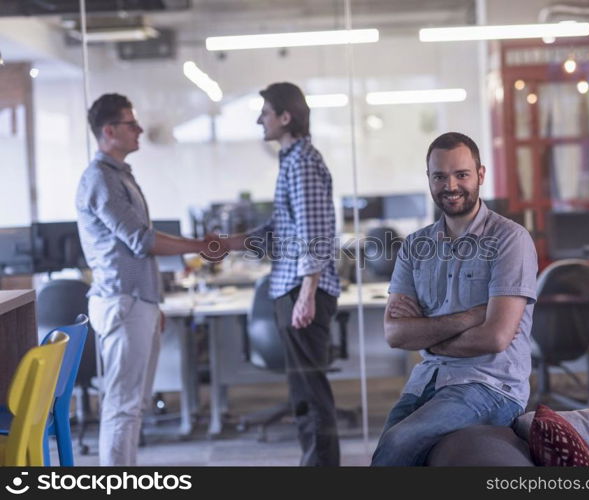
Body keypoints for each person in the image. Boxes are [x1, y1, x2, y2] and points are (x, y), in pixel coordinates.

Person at [370, 132, 538, 466]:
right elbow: (395, 334)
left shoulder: (510, 240)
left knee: (400, 443)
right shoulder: (415, 246)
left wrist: (428, 337)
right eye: (440, 176)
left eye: (461, 174)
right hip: (428, 380)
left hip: (490, 387)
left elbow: (496, 337)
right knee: (388, 448)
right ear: (429, 180)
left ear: (481, 175)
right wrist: (472, 316)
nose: (451, 185)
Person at [76, 93, 221, 466]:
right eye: (131, 123)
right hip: (122, 302)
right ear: (109, 131)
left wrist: (153, 300)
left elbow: (138, 242)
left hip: (137, 301)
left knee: (133, 405)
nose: (140, 129)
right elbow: (141, 241)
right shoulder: (101, 180)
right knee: (123, 406)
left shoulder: (120, 176)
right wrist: (201, 246)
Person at [223, 82, 341, 466]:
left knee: (310, 393)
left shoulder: (303, 163)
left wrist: (308, 293)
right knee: (303, 393)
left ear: (285, 117)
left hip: (302, 290)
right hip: (291, 287)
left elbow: (314, 234)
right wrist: (229, 243)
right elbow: (279, 230)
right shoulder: (292, 160)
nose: (261, 119)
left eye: (266, 112)